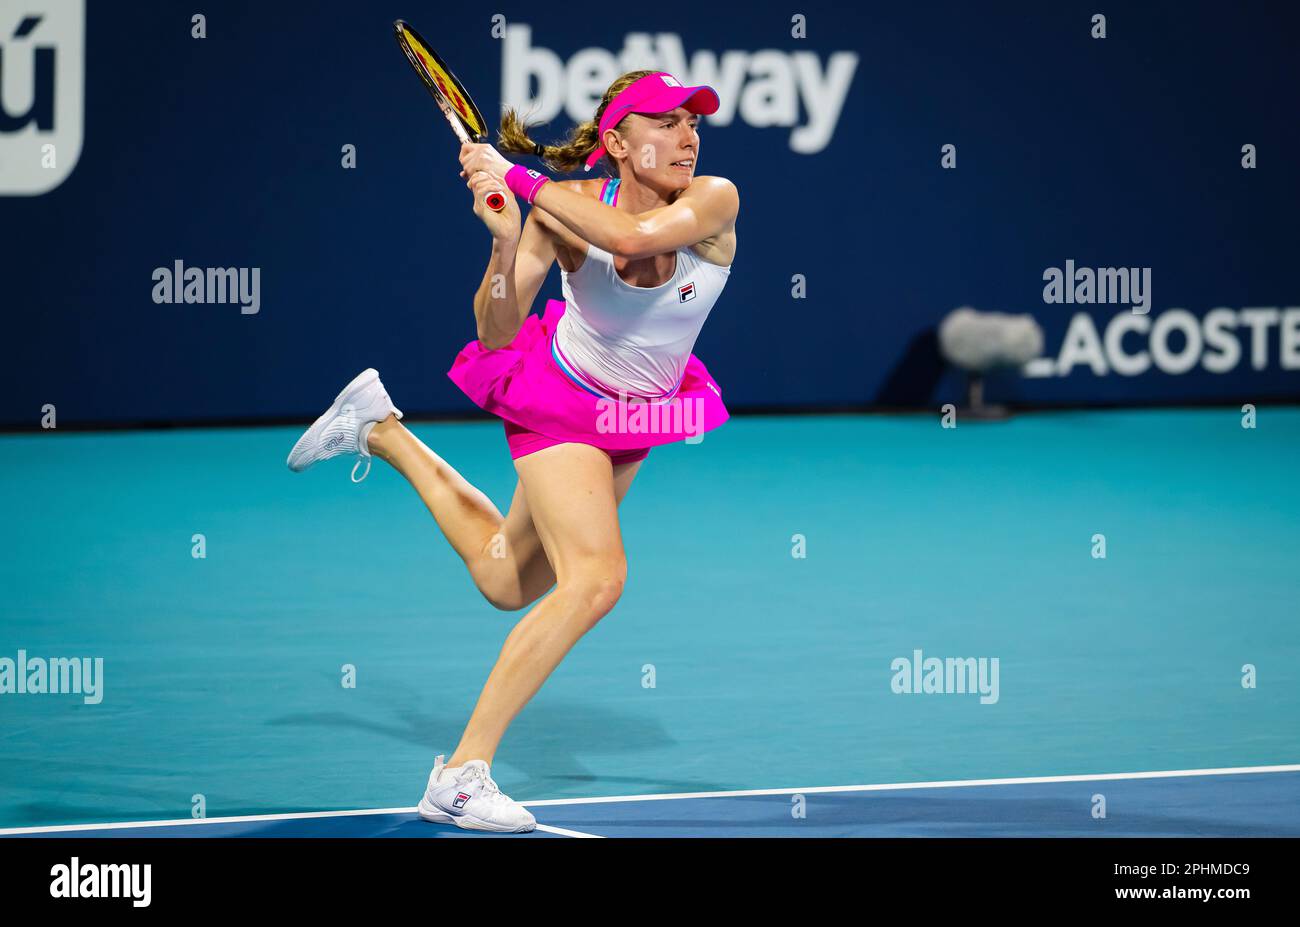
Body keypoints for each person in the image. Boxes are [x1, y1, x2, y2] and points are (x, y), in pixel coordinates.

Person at [285, 70, 739, 832]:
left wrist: (519, 178)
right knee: (595, 580)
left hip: (635, 416)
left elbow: (630, 239)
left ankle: (380, 427)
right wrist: (503, 245)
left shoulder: (714, 200)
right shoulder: (562, 212)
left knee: (506, 578)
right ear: (618, 142)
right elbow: (497, 330)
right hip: (560, 395)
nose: (688, 136)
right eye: (667, 122)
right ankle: (460, 777)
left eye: (694, 123)